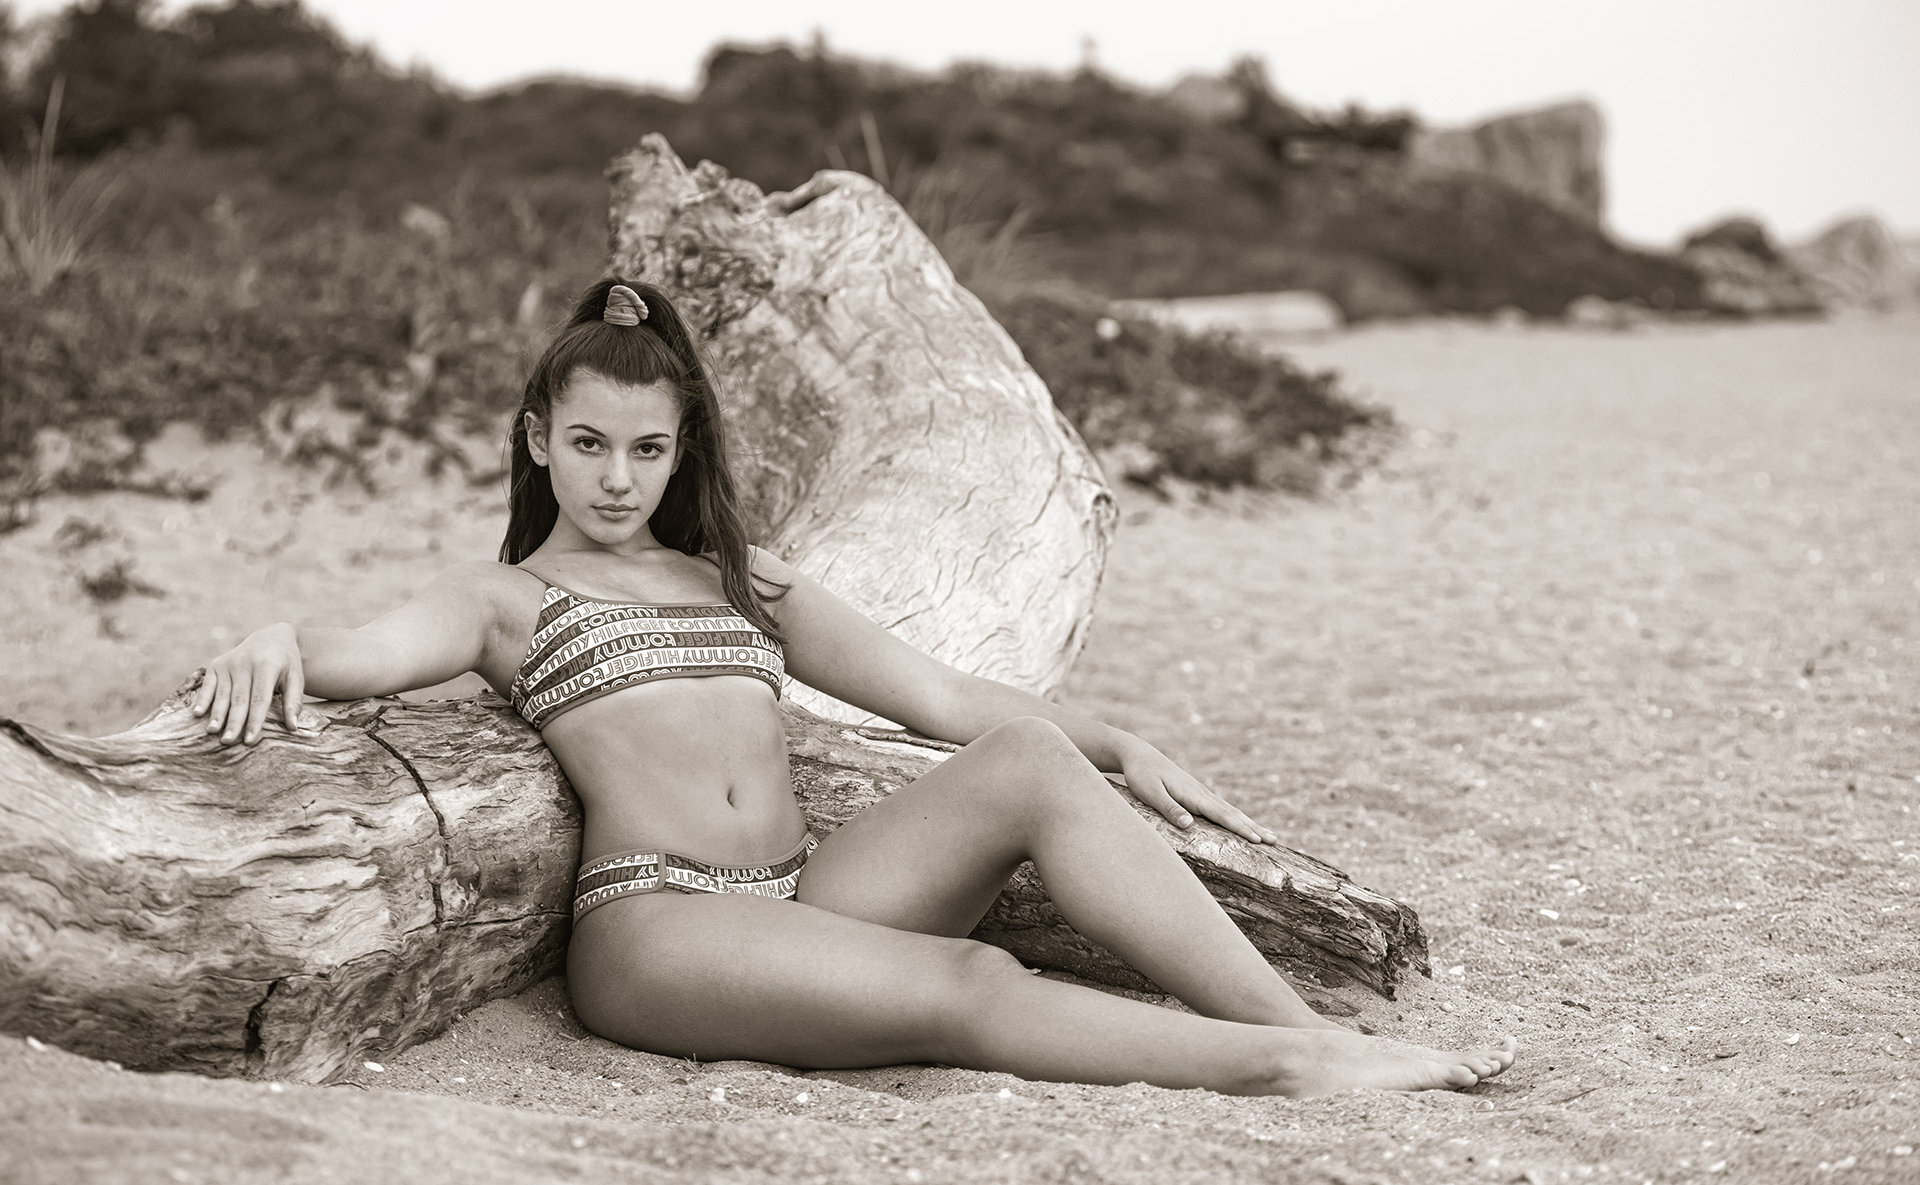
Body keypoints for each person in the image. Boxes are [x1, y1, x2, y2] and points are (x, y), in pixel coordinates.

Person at [192, 278, 1516, 1097]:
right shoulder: (502, 599)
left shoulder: (737, 578)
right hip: (659, 928)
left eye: (646, 449)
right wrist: (277, 639)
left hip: (802, 895)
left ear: (679, 451)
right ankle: (1280, 1065)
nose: (616, 477)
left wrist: (1117, 740)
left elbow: (939, 695)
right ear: (538, 440)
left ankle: (1299, 1028)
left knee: (1030, 764)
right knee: (969, 979)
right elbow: (368, 651)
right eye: (587, 443)